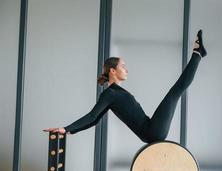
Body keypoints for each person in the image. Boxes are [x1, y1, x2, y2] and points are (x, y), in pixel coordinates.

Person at [43, 30, 207, 143]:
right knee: (175, 92)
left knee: (175, 92)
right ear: (113, 71)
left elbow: (94, 121)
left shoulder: (115, 93)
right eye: (123, 66)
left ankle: (198, 53)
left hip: (152, 130)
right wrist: (67, 129)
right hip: (152, 131)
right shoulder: (109, 94)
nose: (126, 69)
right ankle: (197, 53)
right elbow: (92, 117)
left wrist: (69, 130)